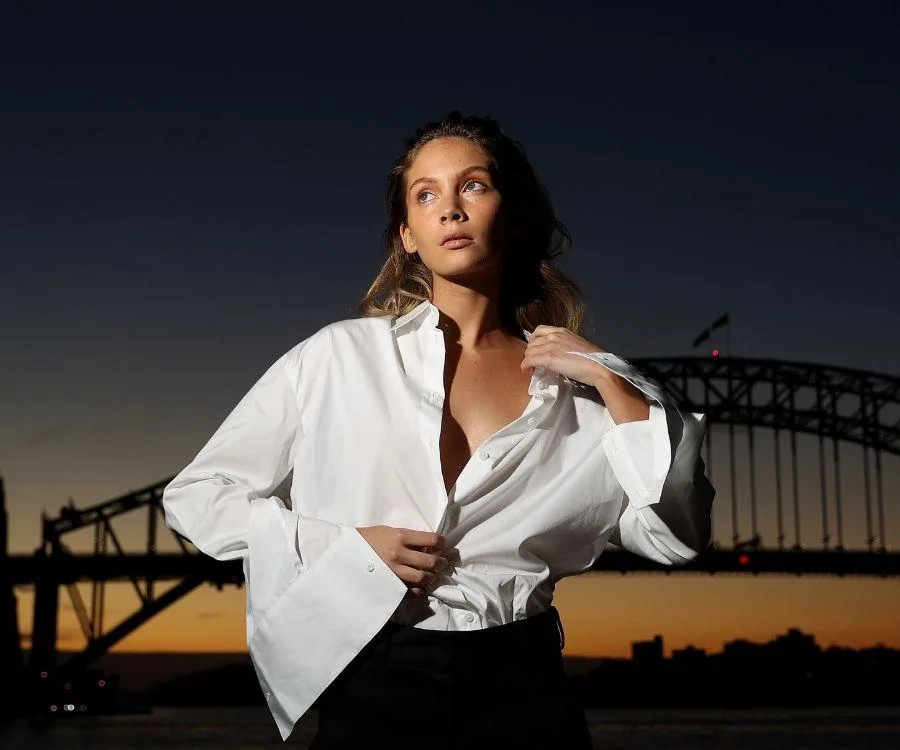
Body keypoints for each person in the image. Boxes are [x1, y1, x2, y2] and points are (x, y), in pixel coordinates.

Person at [161, 110, 715, 748]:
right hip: (374, 680)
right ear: (407, 237)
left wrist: (617, 385)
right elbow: (196, 497)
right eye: (427, 195)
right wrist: (340, 544)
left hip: (525, 686)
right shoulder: (338, 358)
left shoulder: (585, 397)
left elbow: (676, 537)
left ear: (514, 214)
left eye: (473, 186)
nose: (450, 208)